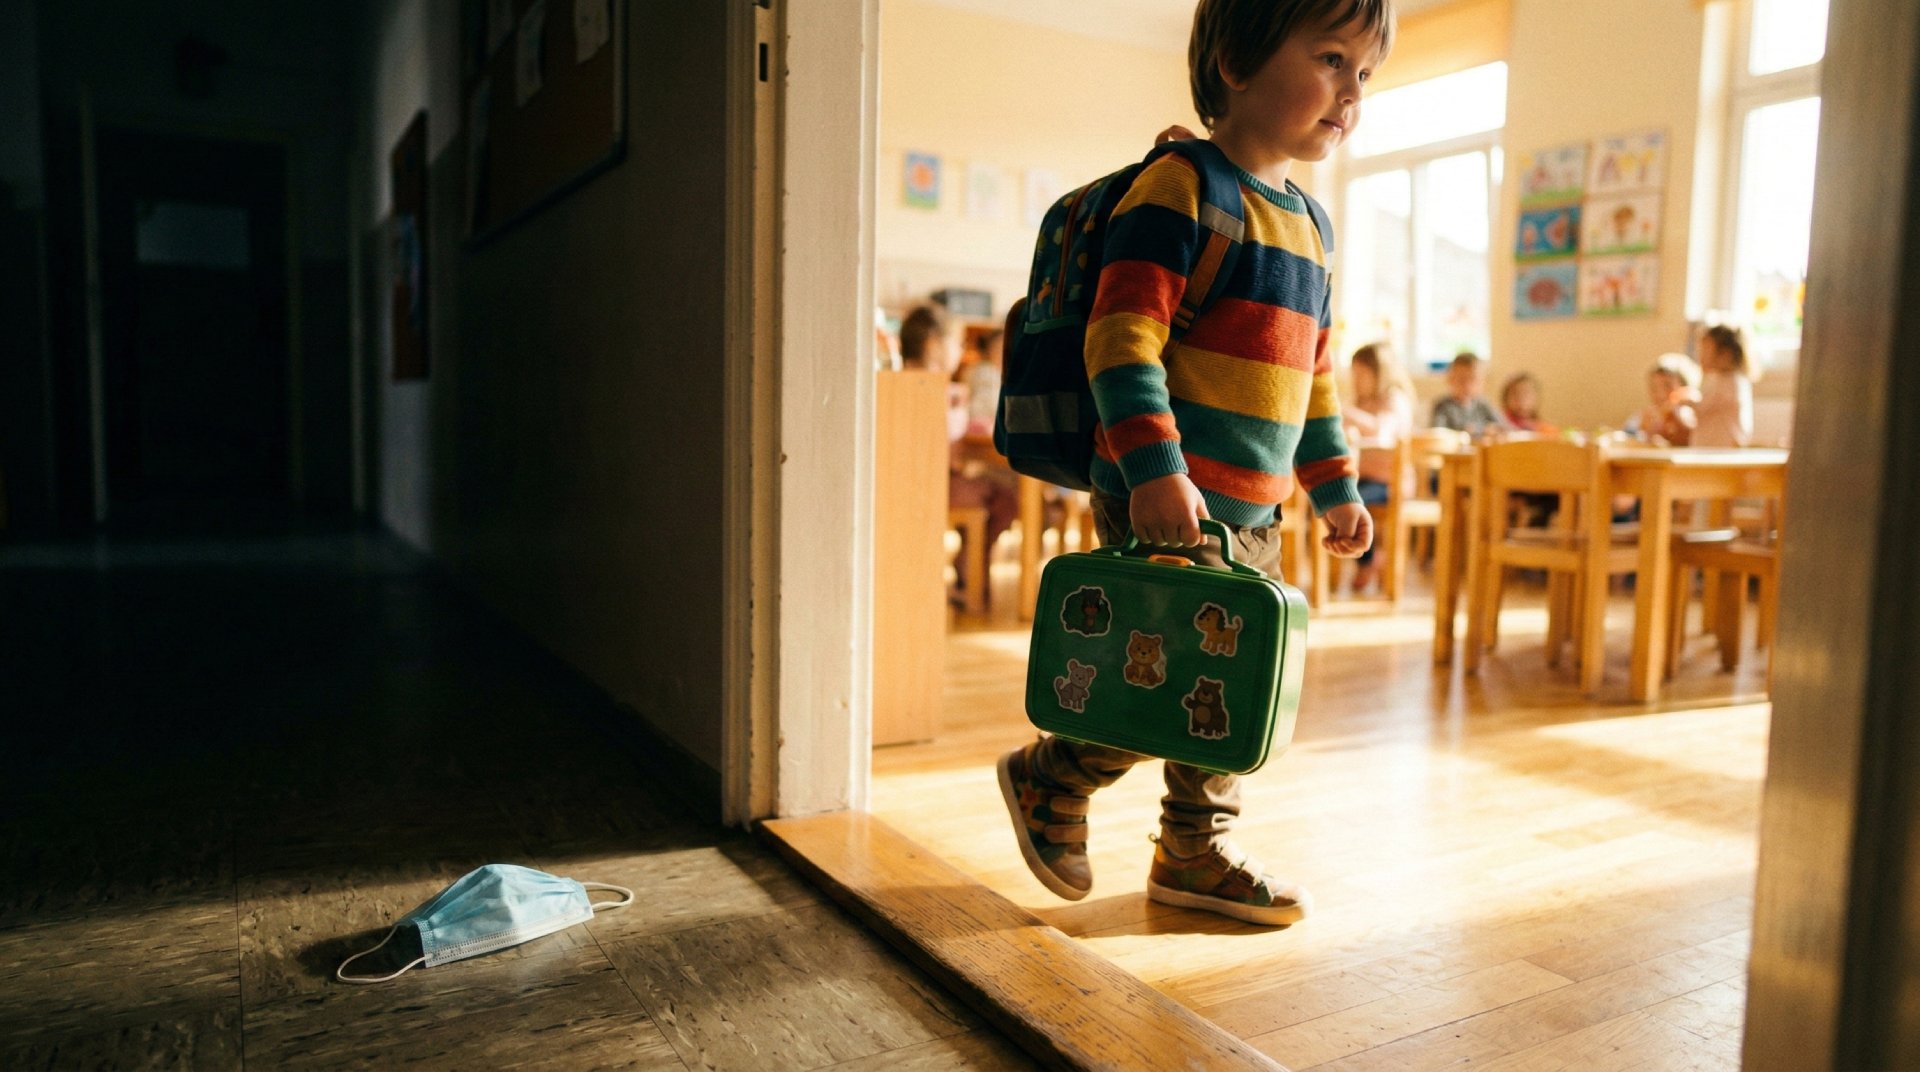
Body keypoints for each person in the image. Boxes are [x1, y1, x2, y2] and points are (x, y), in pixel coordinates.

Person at [996, 0, 1387, 928]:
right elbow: (1120, 341)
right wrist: (1154, 470)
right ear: (1236, 62)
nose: (1350, 92)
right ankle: (1053, 775)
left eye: (1365, 73)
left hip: (1255, 509)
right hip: (1162, 492)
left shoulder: (1314, 229)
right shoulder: (1180, 188)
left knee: (1233, 681)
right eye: (1332, 58)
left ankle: (1192, 852)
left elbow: (1315, 380)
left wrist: (1335, 486)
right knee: (1160, 678)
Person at [901, 304, 1017, 601]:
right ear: (933, 345)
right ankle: (970, 572)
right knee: (1005, 497)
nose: (960, 349)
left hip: (935, 478)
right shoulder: (926, 387)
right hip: (931, 484)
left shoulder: (915, 383)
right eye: (956, 342)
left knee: (999, 492)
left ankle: (970, 571)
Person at [1344, 342, 1414, 593]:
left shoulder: (1394, 399)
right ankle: (1367, 558)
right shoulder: (1361, 403)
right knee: (1340, 497)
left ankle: (1369, 559)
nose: (1355, 380)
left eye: (1361, 374)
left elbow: (1382, 431)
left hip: (1391, 483)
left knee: (1354, 502)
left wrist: (1346, 413)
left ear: (1379, 373)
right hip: (1362, 478)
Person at [1692, 324, 1754, 447]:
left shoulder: (1731, 382)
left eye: (1706, 350)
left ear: (1725, 354)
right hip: (1711, 448)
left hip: (1722, 449)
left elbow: (1703, 406)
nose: (1700, 357)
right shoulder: (1718, 380)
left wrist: (1685, 400)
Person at [1630, 353, 1700, 445]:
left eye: (1668, 386)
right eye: (1654, 388)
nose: (1660, 394)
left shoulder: (1691, 414)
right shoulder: (1642, 417)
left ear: (1684, 386)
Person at [1429, 352, 1505, 438]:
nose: (1467, 385)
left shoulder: (1483, 404)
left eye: (1473, 379)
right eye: (1461, 379)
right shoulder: (1442, 406)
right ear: (1450, 379)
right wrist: (1467, 431)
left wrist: (1477, 430)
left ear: (1482, 381)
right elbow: (1437, 433)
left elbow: (1501, 427)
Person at [1499, 371, 1556, 436]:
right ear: (1506, 398)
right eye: (1515, 394)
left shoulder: (1545, 429)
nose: (1521, 399)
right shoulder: (1500, 424)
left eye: (1526, 393)